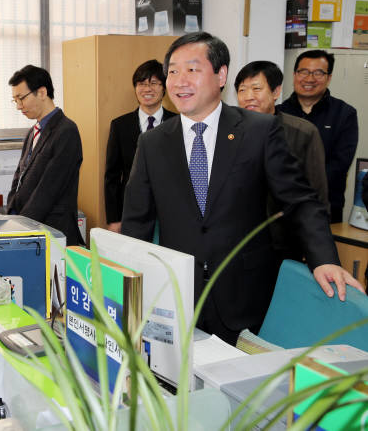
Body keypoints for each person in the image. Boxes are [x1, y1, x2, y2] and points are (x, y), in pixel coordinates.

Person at [121, 32, 364, 345]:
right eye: (173, 71)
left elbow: (300, 200)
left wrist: (324, 258)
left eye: (192, 70)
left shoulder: (259, 131)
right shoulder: (152, 142)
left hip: (244, 296)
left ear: (221, 75)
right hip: (175, 295)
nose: (180, 81)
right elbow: (136, 221)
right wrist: (125, 285)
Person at [234, 60, 329, 261]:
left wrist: (313, 249)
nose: (248, 96)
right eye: (242, 90)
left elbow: (317, 194)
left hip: (284, 243)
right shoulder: (229, 132)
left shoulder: (303, 132)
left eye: (256, 88)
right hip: (239, 242)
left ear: (276, 92)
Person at [277, 50, 359, 223]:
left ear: (328, 78)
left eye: (318, 73)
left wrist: (301, 187)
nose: (309, 79)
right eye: (304, 72)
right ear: (294, 75)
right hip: (282, 206)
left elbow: (340, 163)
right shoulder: (279, 113)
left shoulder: (345, 114)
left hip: (325, 207)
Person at [6, 65, 83, 245]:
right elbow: (18, 179)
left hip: (52, 231)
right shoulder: (32, 132)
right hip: (28, 227)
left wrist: (21, 228)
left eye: (21, 98)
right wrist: (10, 213)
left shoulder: (66, 131)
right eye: (14, 100)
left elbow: (48, 190)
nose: (18, 106)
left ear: (41, 92)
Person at [104, 59, 176, 233]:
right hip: (131, 211)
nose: (147, 89)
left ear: (164, 87)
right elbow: (112, 176)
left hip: (170, 211)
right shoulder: (120, 125)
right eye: (141, 83)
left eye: (154, 83)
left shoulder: (178, 123)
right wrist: (113, 219)